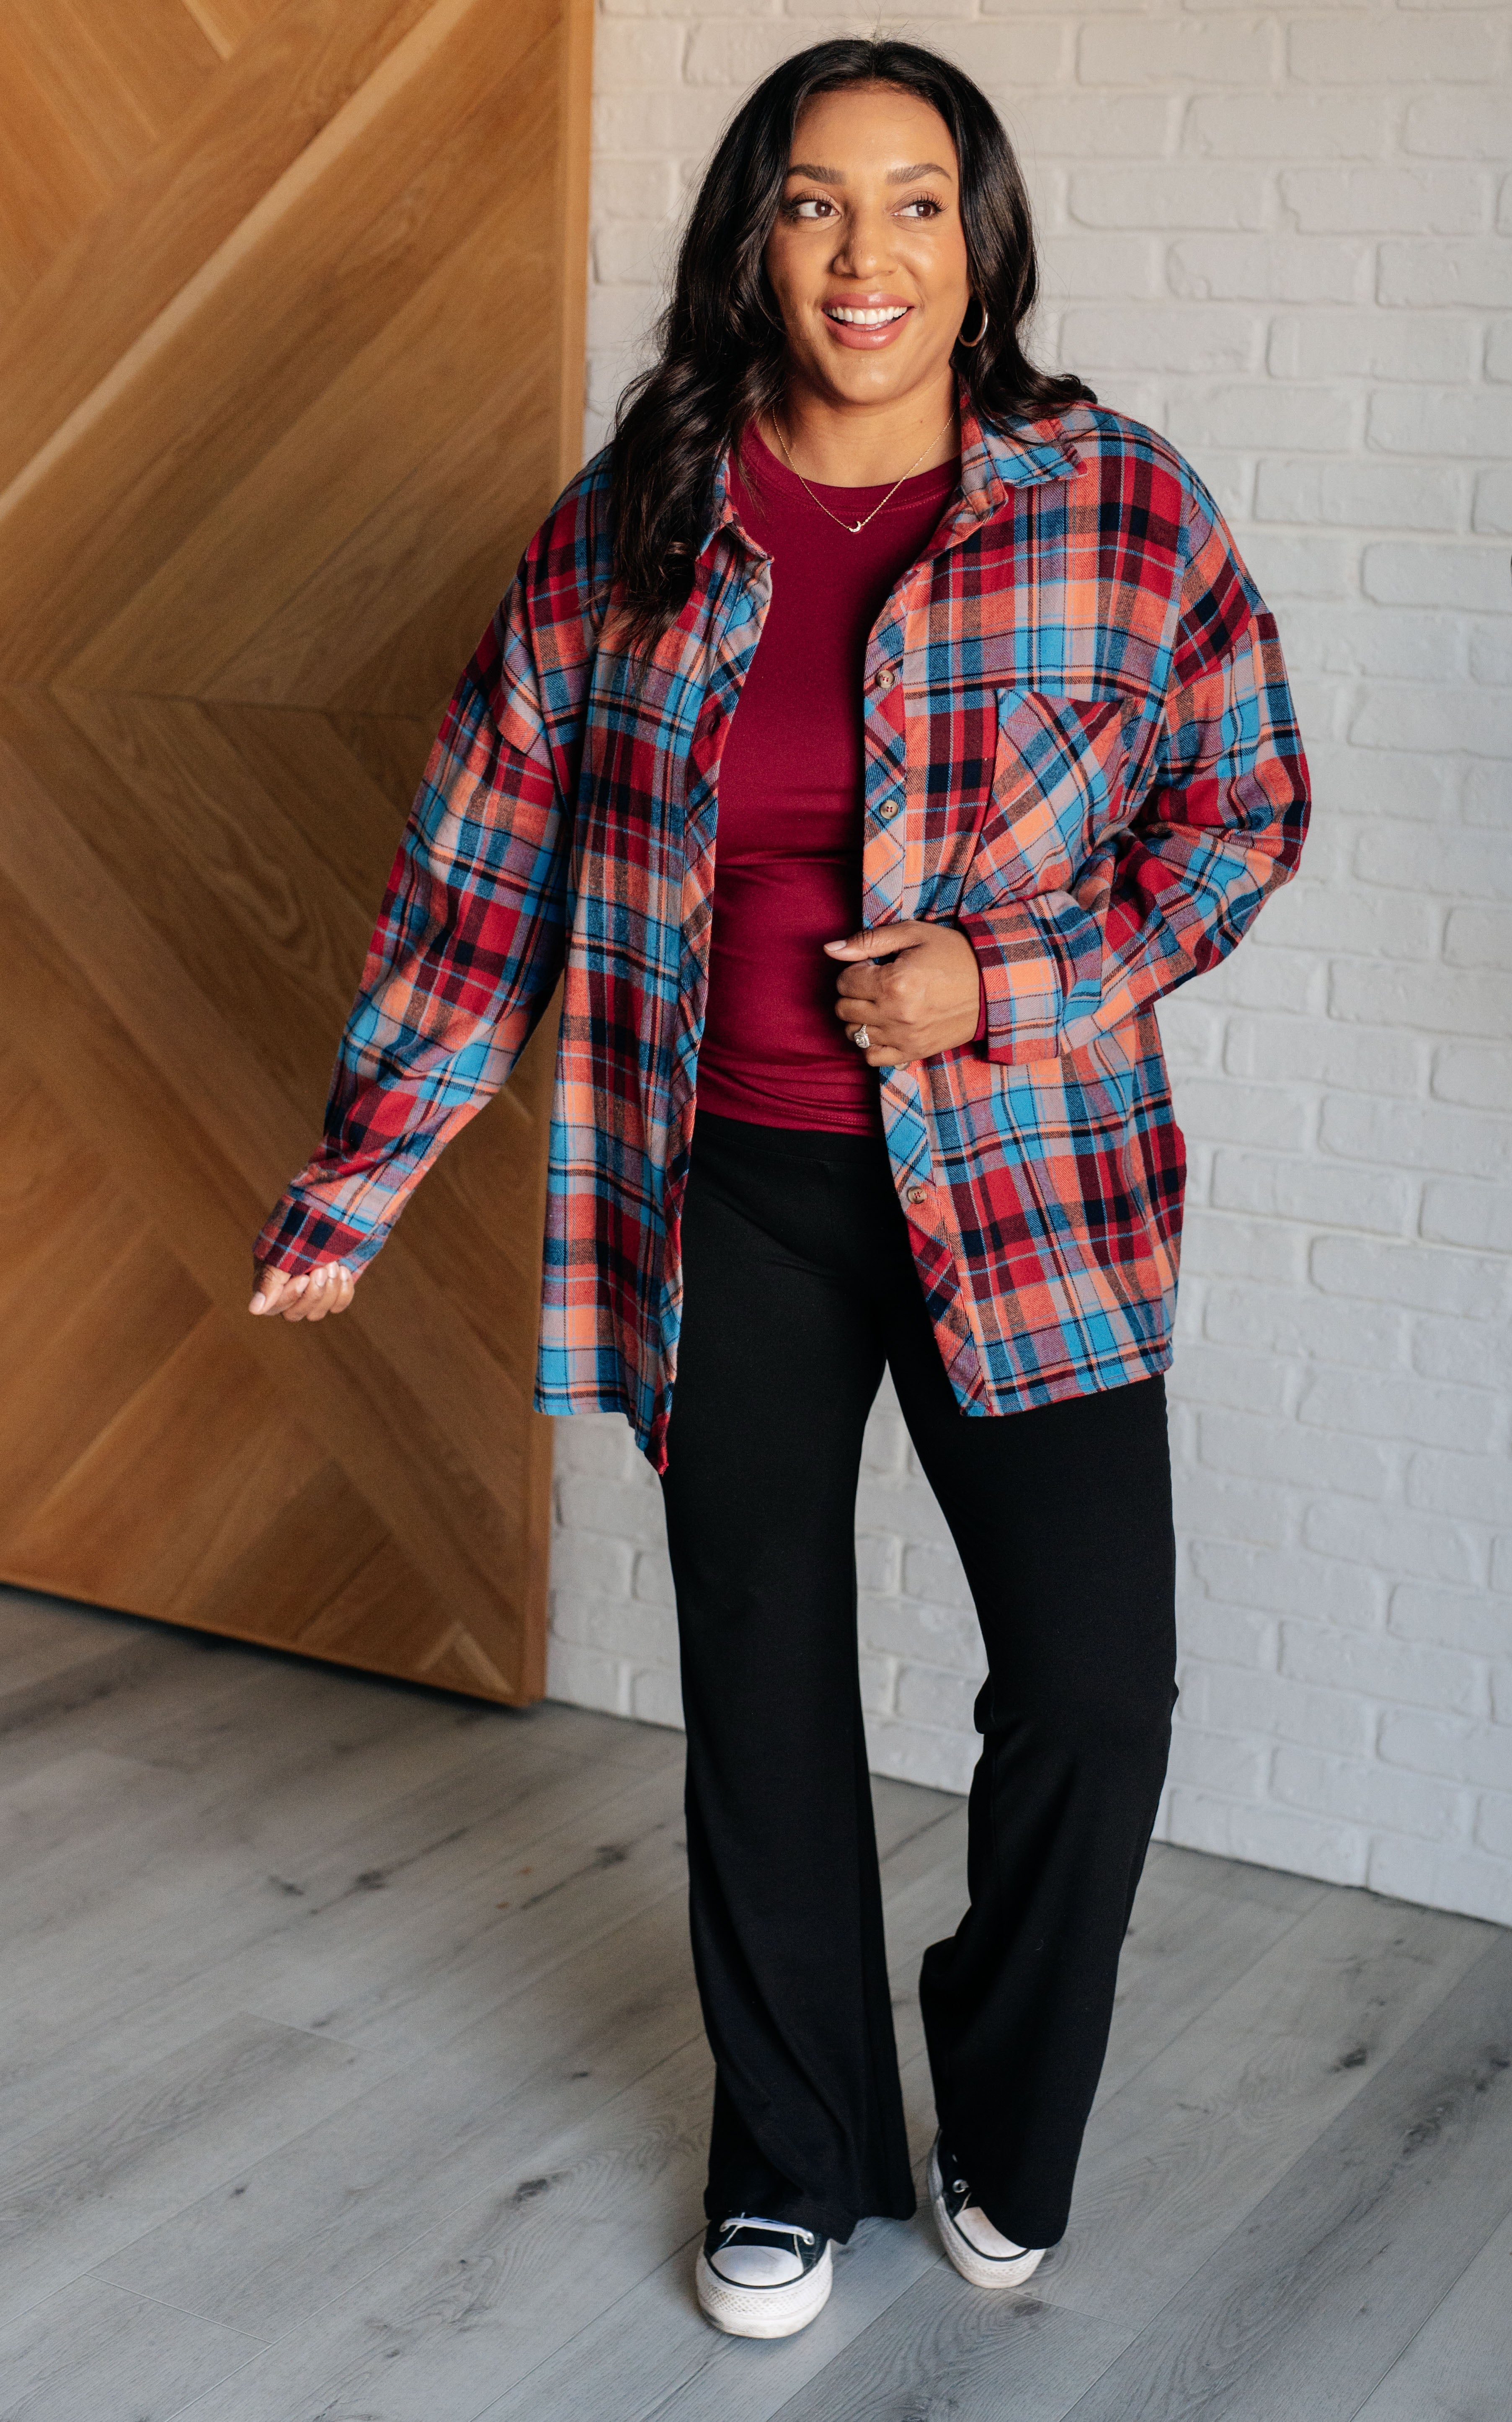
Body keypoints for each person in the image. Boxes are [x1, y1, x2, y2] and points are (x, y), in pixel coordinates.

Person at [249, 38, 1309, 2343]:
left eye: (916, 203)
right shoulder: (628, 520)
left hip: (1027, 1193)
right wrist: (361, 1174)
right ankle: (791, 2147)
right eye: (816, 204)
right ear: (753, 236)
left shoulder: (1119, 510)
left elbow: (1239, 815)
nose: (866, 255)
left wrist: (1003, 974)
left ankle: (1000, 2112)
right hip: (719, 1186)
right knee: (760, 1678)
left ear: (981, 242)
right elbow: (478, 872)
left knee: (1095, 1687)